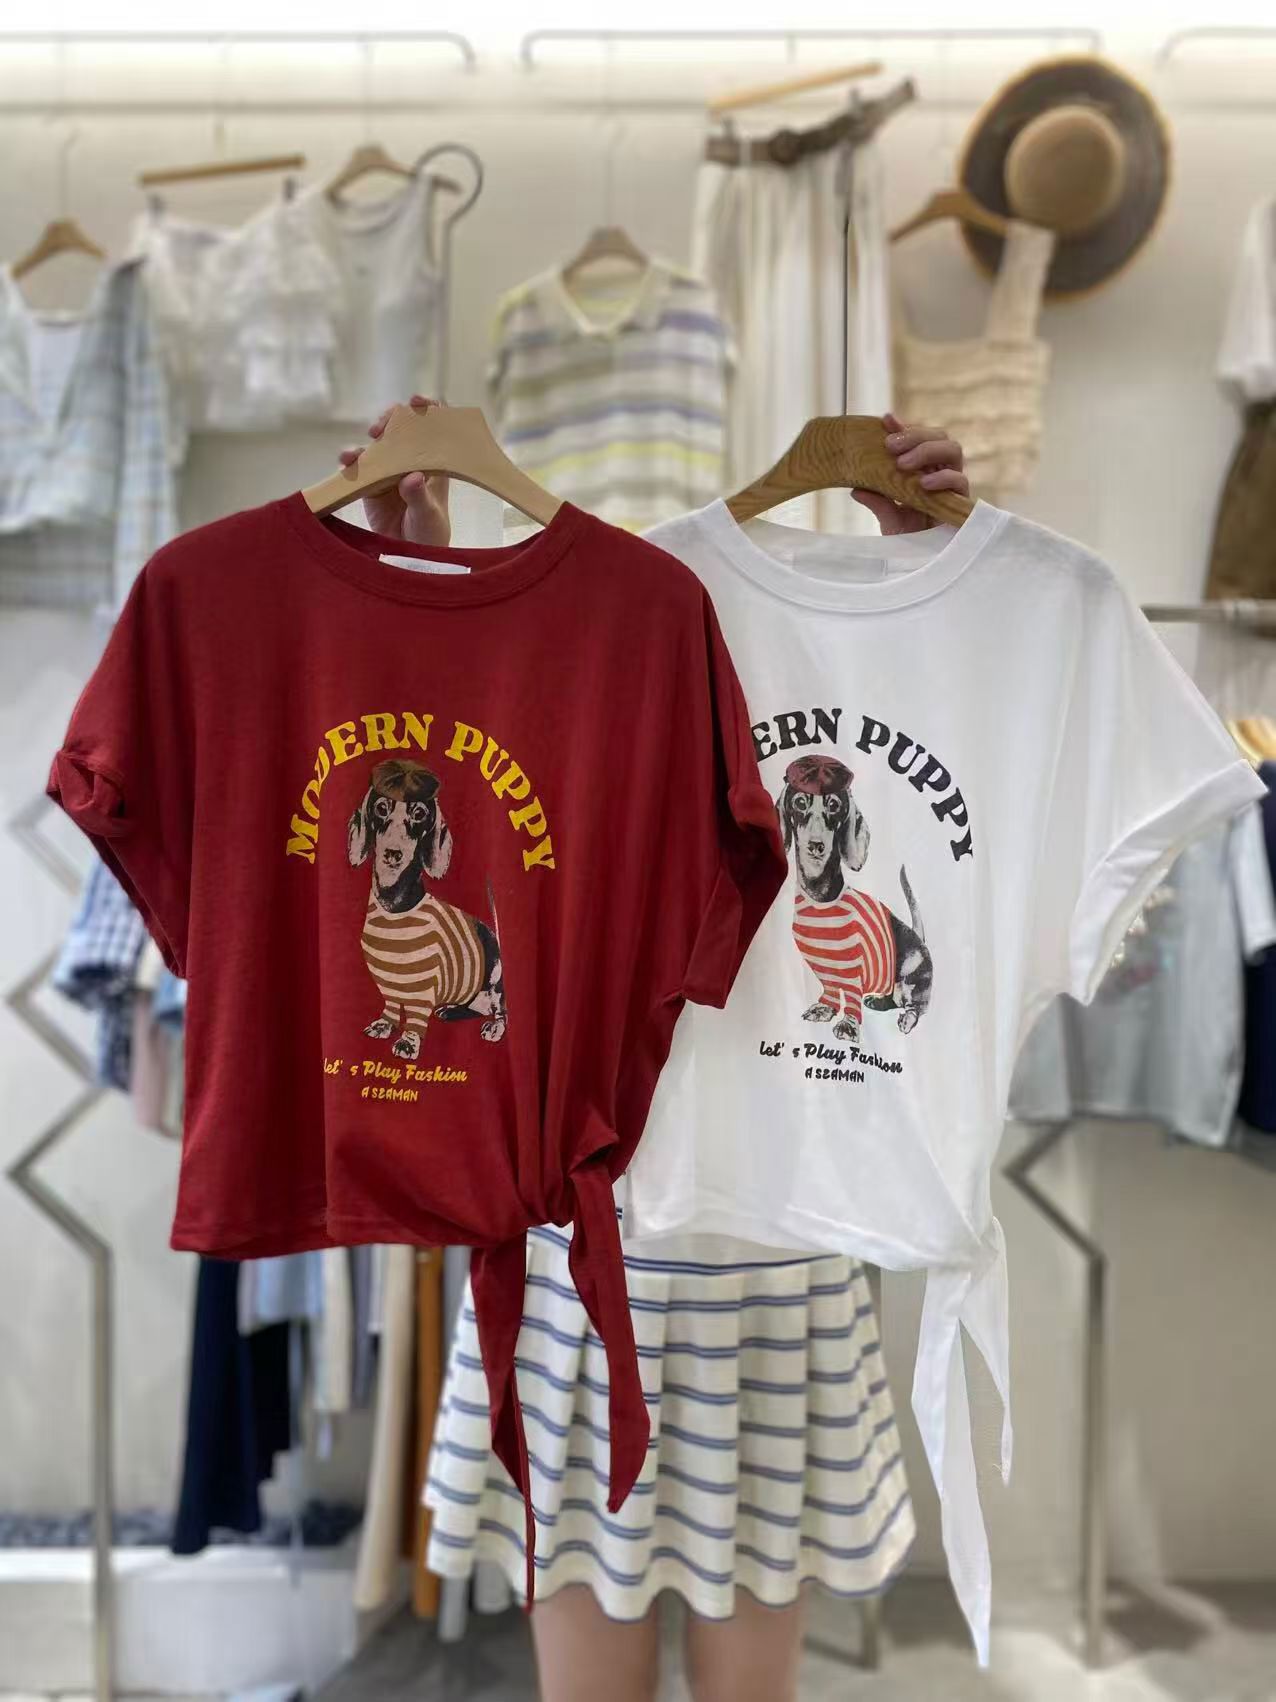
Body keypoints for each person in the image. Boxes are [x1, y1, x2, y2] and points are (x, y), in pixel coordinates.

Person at [337, 400, 970, 1702]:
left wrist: (934, 575)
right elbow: (426, 765)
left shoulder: (857, 647)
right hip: (584, 1250)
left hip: (780, 1251)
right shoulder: (593, 627)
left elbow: (973, 776)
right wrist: (421, 570)